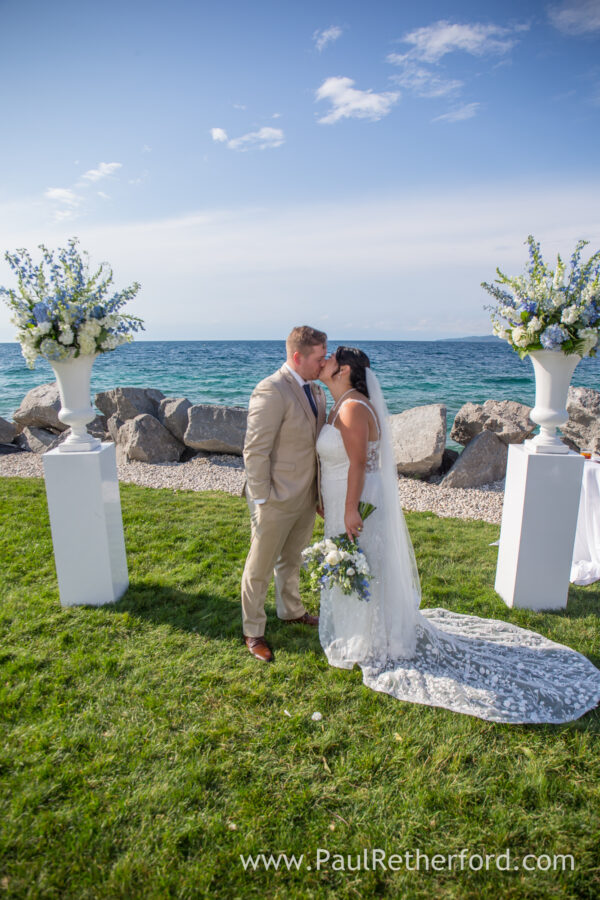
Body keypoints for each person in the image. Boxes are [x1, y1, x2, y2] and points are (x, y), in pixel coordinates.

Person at [316, 346, 600, 723]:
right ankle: (365, 632)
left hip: (358, 500)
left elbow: (356, 465)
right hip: (346, 498)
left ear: (345, 369)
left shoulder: (352, 407)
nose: (325, 362)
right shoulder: (342, 402)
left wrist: (350, 508)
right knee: (365, 564)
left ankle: (374, 638)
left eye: (331, 358)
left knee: (366, 562)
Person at [241, 326, 327, 661]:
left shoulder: (316, 390)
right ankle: (253, 631)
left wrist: (317, 494)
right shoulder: (271, 389)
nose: (324, 363)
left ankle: (291, 610)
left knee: (292, 559)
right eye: (319, 358)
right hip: (274, 498)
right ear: (298, 357)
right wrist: (261, 499)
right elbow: (255, 449)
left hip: (305, 495)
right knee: (259, 568)